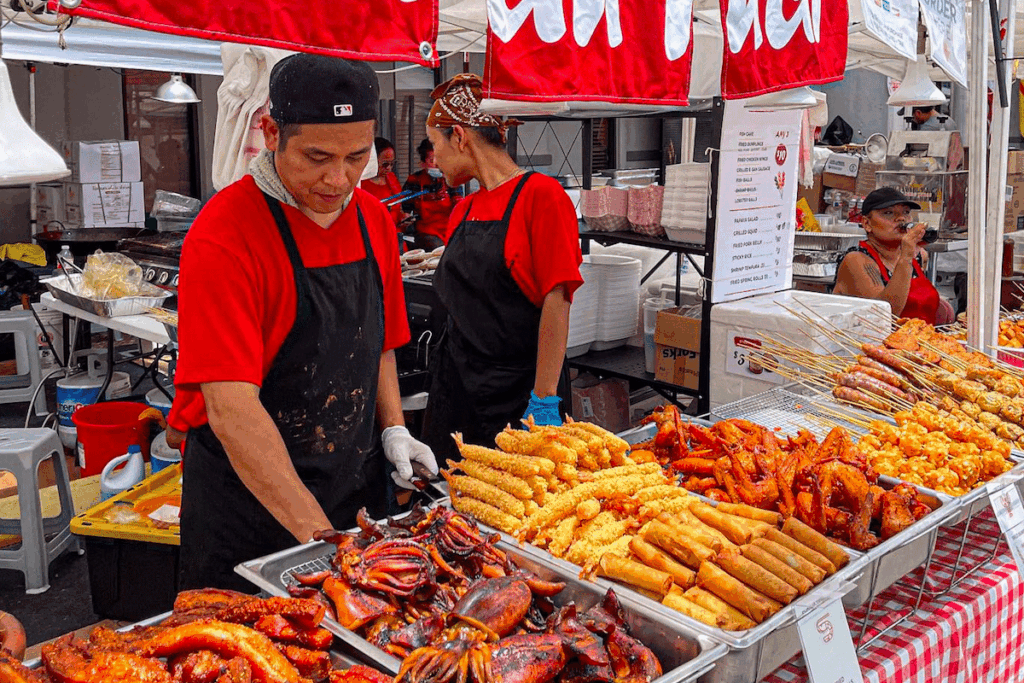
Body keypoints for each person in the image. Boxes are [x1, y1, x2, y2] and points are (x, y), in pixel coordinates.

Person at [168, 54, 438, 591]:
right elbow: (231, 407)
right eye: (317, 157)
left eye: (356, 157)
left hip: (353, 488)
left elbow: (379, 342)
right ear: (271, 133)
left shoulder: (372, 221)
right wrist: (329, 548)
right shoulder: (225, 232)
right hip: (247, 505)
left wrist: (394, 428)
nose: (337, 179)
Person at [419, 74, 583, 463]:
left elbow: (557, 303)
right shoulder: (463, 209)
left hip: (518, 397)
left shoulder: (541, 196)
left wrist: (543, 403)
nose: (434, 158)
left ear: (459, 136)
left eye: (435, 144)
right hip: (458, 392)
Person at [833, 187, 945, 324]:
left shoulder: (919, 256)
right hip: (876, 343)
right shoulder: (856, 260)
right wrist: (906, 258)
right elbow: (885, 316)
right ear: (866, 223)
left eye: (906, 212)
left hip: (921, 341)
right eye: (889, 213)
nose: (901, 218)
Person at [402, 138, 458, 250]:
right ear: (423, 163)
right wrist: (406, 217)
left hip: (449, 229)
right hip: (426, 233)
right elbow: (405, 208)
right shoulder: (414, 180)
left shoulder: (450, 179)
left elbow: (458, 202)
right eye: (432, 160)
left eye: (440, 159)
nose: (437, 164)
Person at [360, 137, 407, 229]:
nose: (389, 168)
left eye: (392, 164)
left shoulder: (391, 178)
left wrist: (403, 219)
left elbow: (398, 207)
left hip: (395, 232)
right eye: (385, 164)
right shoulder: (361, 183)